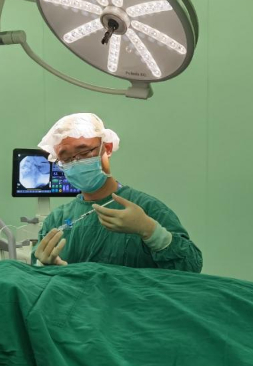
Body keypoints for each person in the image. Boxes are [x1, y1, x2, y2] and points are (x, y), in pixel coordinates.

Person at [33, 113, 202, 273]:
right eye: (66, 158)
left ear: (107, 148)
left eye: (84, 152)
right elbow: (37, 282)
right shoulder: (57, 220)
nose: (76, 162)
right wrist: (44, 267)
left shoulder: (147, 208)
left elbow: (190, 267)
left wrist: (151, 231)